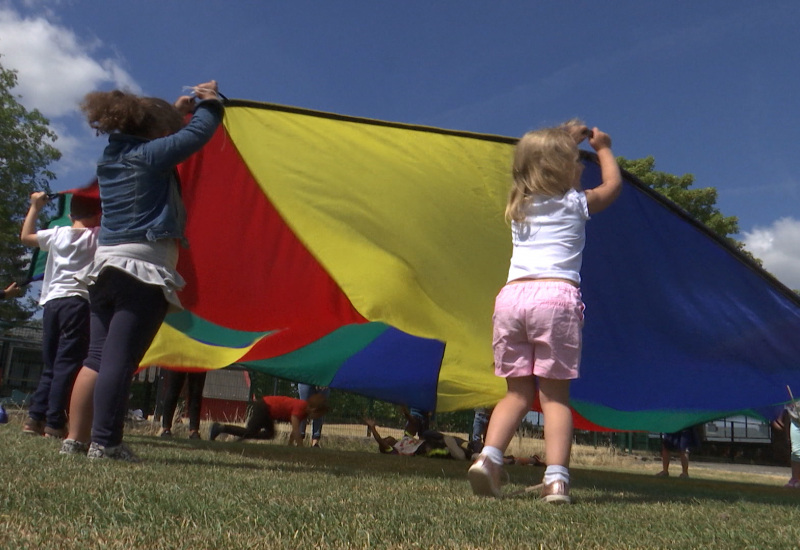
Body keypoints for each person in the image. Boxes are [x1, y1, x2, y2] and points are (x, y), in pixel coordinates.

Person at [61, 81, 224, 462]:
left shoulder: (111, 159)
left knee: (96, 359)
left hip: (104, 271)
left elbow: (148, 130)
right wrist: (211, 105)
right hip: (142, 271)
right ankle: (107, 442)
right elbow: (197, 134)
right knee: (121, 361)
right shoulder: (150, 156)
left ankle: (76, 439)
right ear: (153, 131)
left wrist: (174, 108)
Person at [468, 120, 622, 503]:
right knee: (554, 399)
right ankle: (556, 480)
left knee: (517, 393)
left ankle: (488, 459)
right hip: (555, 300)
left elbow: (539, 160)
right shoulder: (576, 203)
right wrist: (602, 147)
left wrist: (561, 140)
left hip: (512, 300)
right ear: (567, 168)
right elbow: (612, 188)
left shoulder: (519, 204)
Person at [20, 191, 101, 438]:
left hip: (51, 304)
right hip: (77, 304)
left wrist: (35, 206)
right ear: (99, 214)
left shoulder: (57, 234)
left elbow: (25, 237)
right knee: (67, 365)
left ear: (68, 214)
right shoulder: (97, 236)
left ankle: (34, 419)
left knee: (51, 364)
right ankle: (54, 423)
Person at [209, 394, 329, 445]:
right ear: (313, 409)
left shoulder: (304, 413)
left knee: (270, 434)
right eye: (319, 415)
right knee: (250, 431)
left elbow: (294, 433)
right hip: (264, 407)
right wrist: (301, 448)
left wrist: (290, 445)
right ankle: (220, 428)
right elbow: (296, 429)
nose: (318, 418)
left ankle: (241, 438)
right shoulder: (301, 407)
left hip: (268, 412)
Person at [364, 418, 468, 460]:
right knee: (441, 450)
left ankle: (466, 449)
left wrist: (405, 411)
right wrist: (372, 427)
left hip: (426, 442)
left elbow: (413, 424)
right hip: (422, 450)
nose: (387, 438)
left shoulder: (404, 438)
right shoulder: (394, 449)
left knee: (428, 434)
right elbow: (380, 441)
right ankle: (458, 453)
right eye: (386, 439)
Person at [159, 369, 207, 439]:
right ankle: (166, 428)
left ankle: (194, 430)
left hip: (198, 359)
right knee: (173, 389)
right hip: (179, 359)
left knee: (196, 392)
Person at [296, 384, 329, 448]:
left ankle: (315, 442)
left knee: (319, 409)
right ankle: (299, 440)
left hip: (323, 379)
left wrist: (324, 380)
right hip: (306, 379)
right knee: (303, 408)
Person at [783, 401, 800, 488]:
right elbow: (787, 412)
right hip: (795, 422)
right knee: (795, 452)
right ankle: (795, 479)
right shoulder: (787, 394)